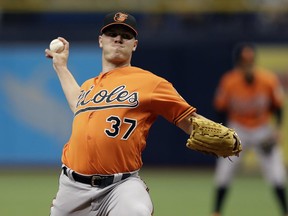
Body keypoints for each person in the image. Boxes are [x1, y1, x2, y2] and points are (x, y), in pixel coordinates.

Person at [45, 11, 238, 216]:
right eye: (112, 33)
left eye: (126, 35)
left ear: (134, 45)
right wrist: (60, 67)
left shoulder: (151, 83)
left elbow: (189, 121)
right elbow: (77, 104)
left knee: (136, 212)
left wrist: (228, 134)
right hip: (72, 188)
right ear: (101, 41)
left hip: (120, 187)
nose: (118, 38)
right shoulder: (89, 86)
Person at [211, 42, 288, 216]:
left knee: (277, 174)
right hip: (238, 129)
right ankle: (216, 211)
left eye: (250, 61)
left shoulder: (268, 80)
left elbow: (278, 107)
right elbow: (220, 108)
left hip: (262, 129)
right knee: (224, 172)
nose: (248, 66)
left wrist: (277, 129)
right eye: (244, 62)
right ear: (238, 64)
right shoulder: (229, 81)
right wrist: (223, 131)